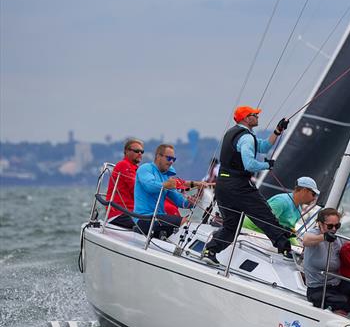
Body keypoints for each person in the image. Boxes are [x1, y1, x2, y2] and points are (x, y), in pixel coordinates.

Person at [203, 106, 291, 265]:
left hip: (222, 186)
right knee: (265, 215)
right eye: (254, 114)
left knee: (231, 226)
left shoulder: (235, 133)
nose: (257, 116)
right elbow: (249, 164)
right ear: (245, 118)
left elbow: (264, 146)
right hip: (238, 186)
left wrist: (277, 131)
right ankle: (286, 249)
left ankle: (210, 250)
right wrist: (266, 165)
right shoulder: (246, 138)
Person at [303, 208, 350, 319]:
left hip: (337, 284)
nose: (333, 229)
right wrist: (323, 237)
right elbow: (306, 240)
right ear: (320, 224)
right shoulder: (314, 235)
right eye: (330, 226)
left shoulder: (338, 239)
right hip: (318, 289)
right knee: (345, 302)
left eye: (337, 226)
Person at [133, 144, 203, 238]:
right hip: (144, 218)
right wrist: (165, 185)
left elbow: (180, 201)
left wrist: (194, 200)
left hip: (158, 218)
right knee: (184, 222)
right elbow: (149, 186)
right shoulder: (145, 169)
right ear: (158, 156)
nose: (171, 162)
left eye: (173, 159)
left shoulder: (166, 176)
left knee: (189, 225)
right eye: (169, 158)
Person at [242, 176, 319, 239]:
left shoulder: (298, 209)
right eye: (313, 194)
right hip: (249, 232)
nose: (314, 198)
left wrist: (298, 247)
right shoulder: (281, 201)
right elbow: (264, 221)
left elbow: (289, 233)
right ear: (304, 191)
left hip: (263, 236)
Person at [105, 138, 144, 228]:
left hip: (131, 213)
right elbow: (136, 189)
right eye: (136, 151)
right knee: (152, 225)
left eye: (142, 152)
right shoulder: (123, 165)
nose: (140, 154)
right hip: (120, 214)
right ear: (126, 151)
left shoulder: (136, 169)